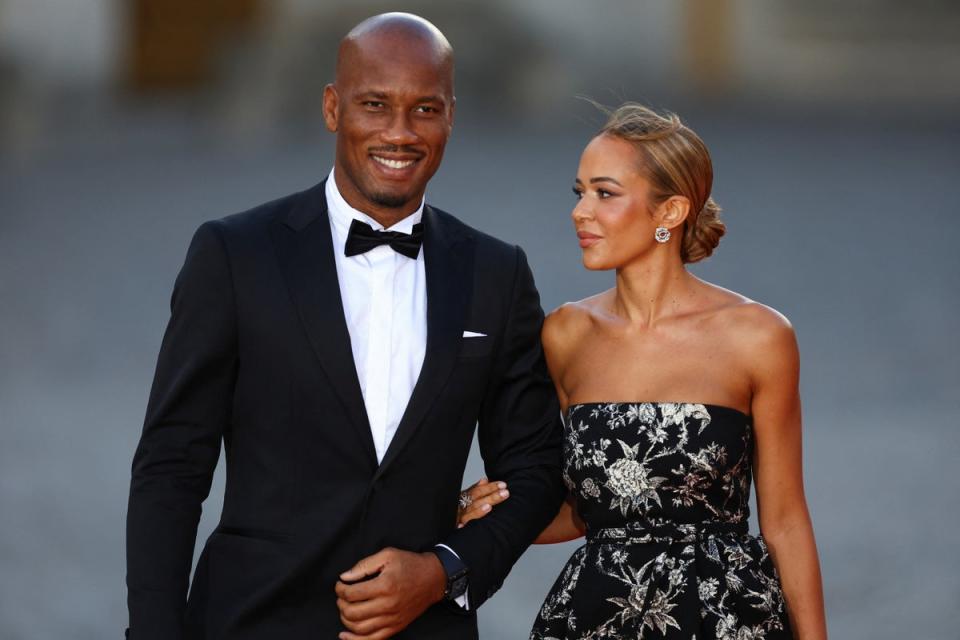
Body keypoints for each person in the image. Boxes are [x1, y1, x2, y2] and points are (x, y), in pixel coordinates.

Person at [125, 12, 565, 640]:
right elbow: (172, 465)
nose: (399, 132)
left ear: (450, 117)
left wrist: (443, 571)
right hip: (252, 620)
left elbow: (534, 469)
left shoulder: (496, 272)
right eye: (375, 105)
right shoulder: (235, 253)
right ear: (333, 108)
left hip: (423, 626)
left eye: (425, 109)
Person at [458, 104, 828, 639]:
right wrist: (475, 509)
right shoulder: (565, 335)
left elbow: (786, 520)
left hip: (725, 618)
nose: (581, 211)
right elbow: (586, 511)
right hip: (596, 615)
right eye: (579, 192)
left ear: (671, 212)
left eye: (604, 193)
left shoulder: (759, 337)